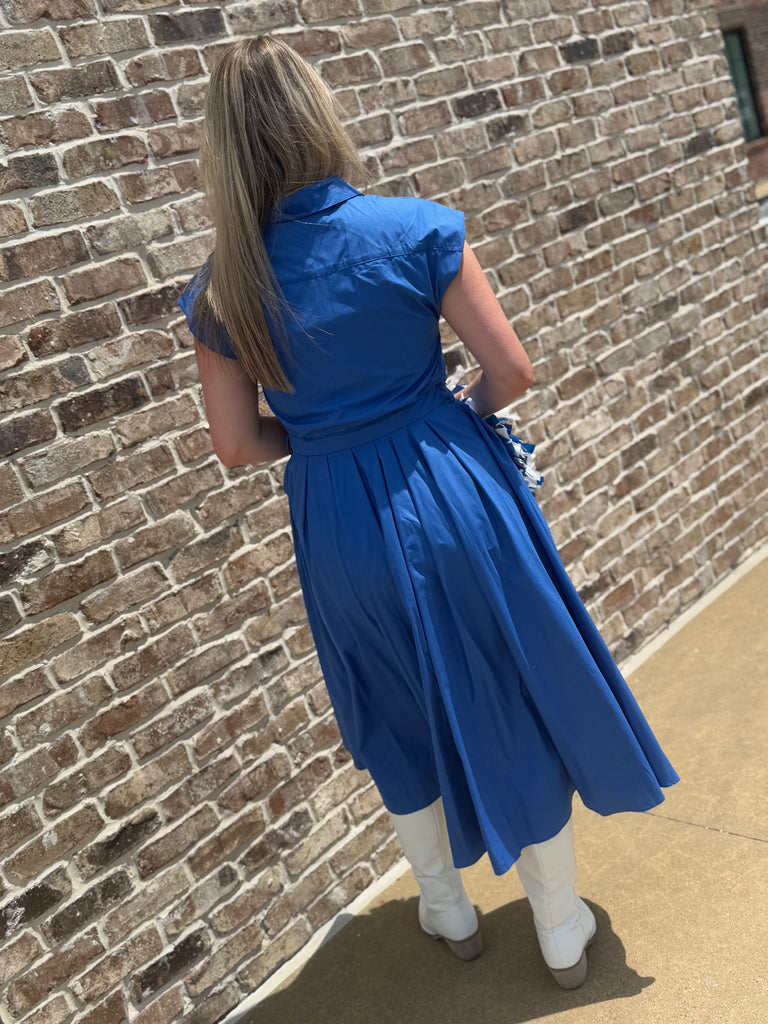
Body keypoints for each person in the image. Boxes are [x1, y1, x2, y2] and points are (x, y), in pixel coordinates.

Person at [178, 36, 678, 990]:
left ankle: (446, 909)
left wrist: (321, 438)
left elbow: (236, 445)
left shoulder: (221, 290)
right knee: (504, 685)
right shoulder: (413, 229)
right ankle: (558, 924)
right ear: (317, 118)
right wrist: (453, 415)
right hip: (448, 490)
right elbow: (511, 370)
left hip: (334, 520)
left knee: (387, 702)